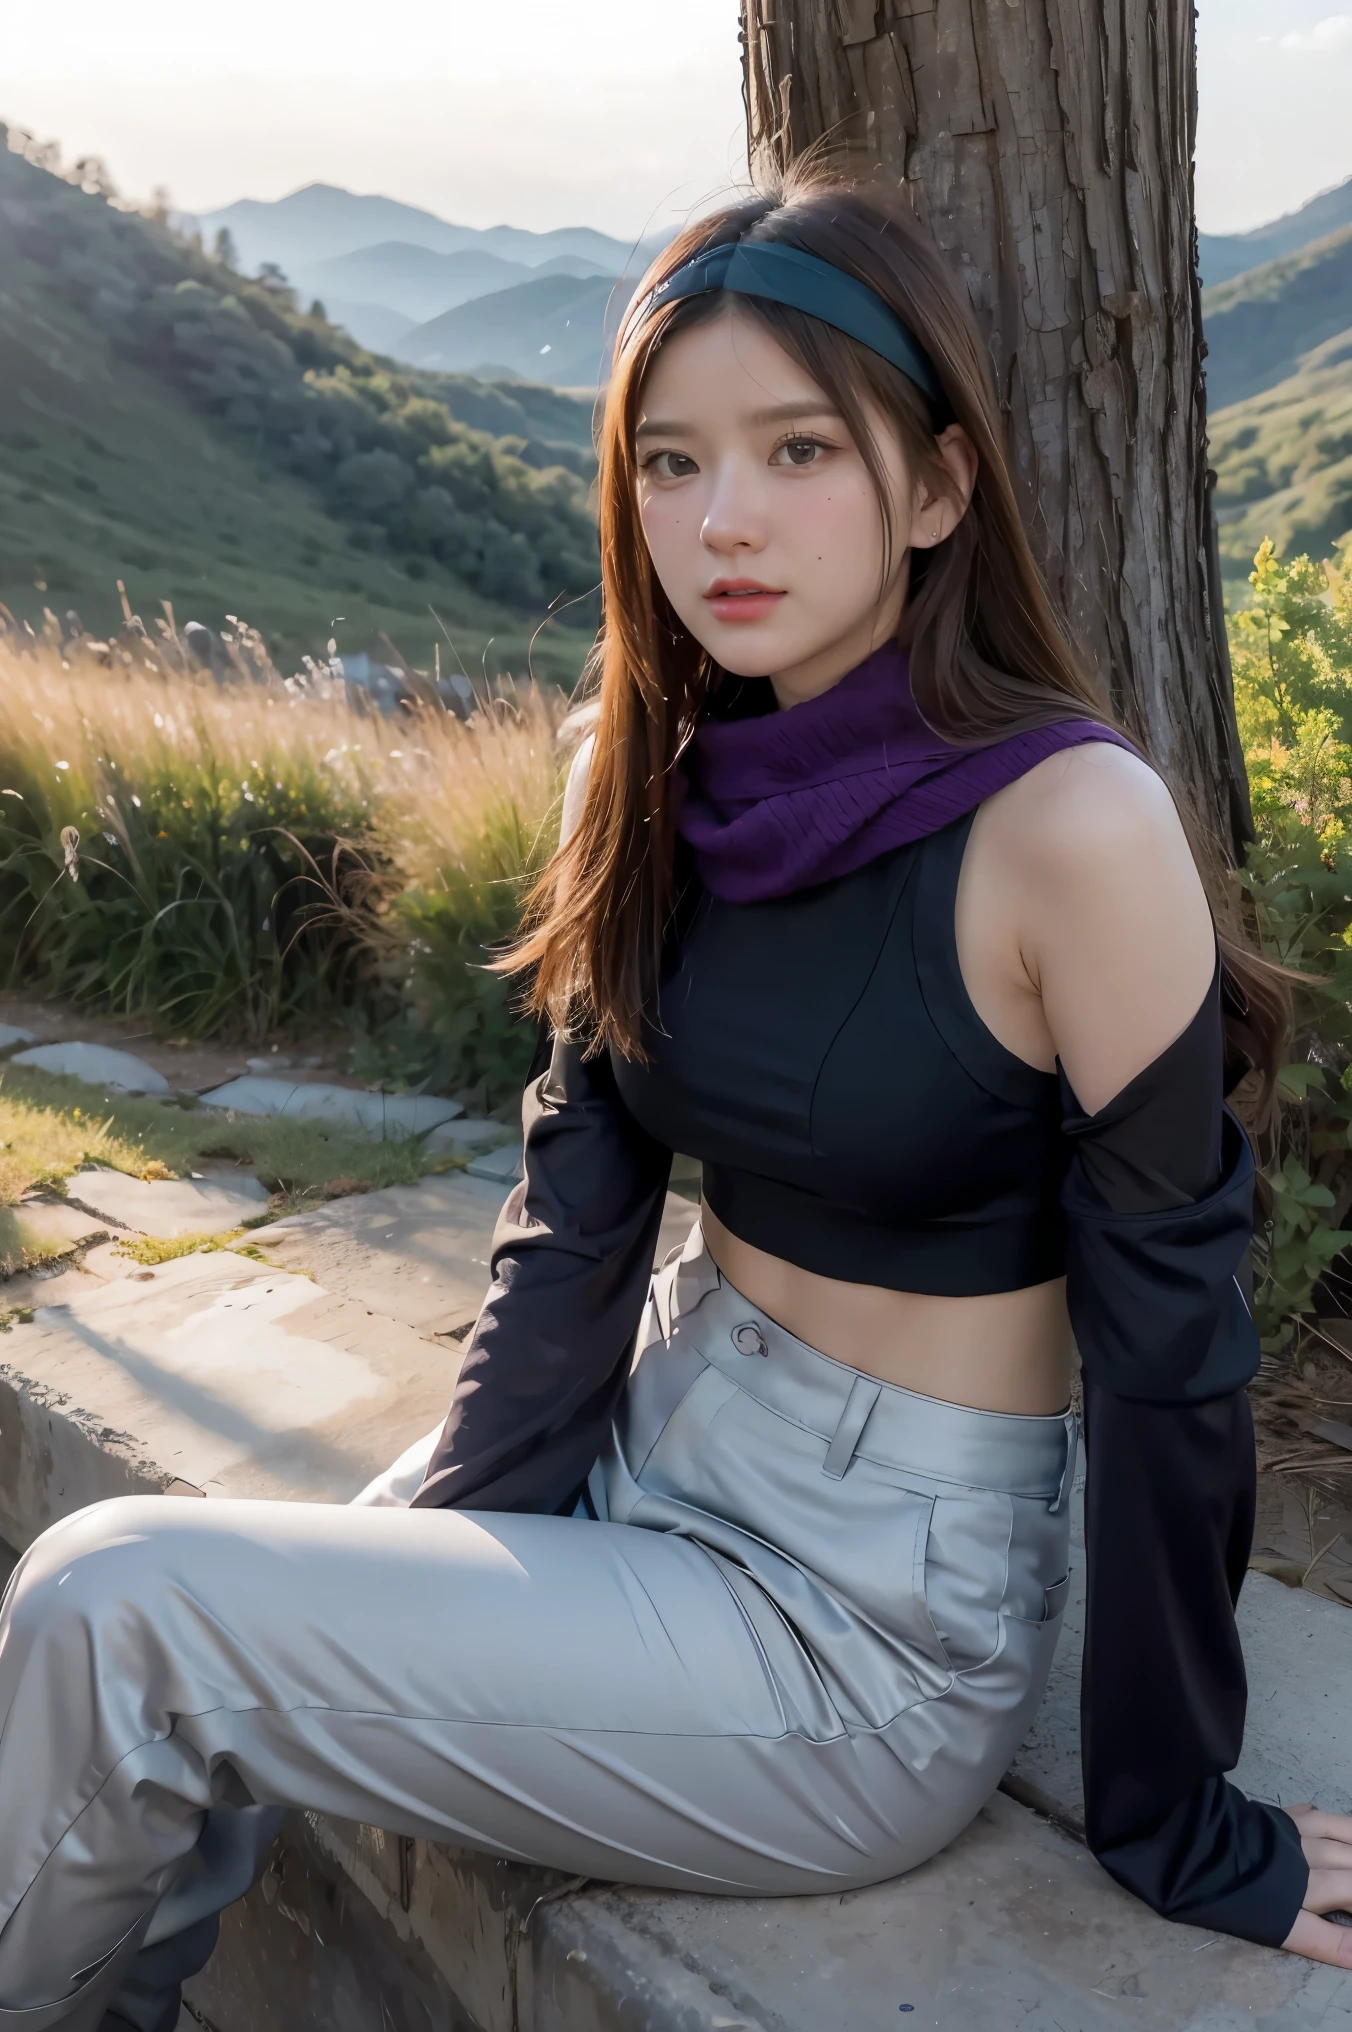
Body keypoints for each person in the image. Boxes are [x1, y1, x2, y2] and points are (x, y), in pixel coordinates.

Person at [1, 169, 1349, 2032]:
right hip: (654, 1416)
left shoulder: (1068, 825)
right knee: (191, 1642)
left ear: (941, 486)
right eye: (670, 463)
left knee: (109, 1601)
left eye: (800, 450)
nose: (723, 522)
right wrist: (466, 1530)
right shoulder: (643, 770)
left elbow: (1174, 1339)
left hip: (865, 1621)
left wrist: (1175, 1807)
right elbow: (577, 1211)